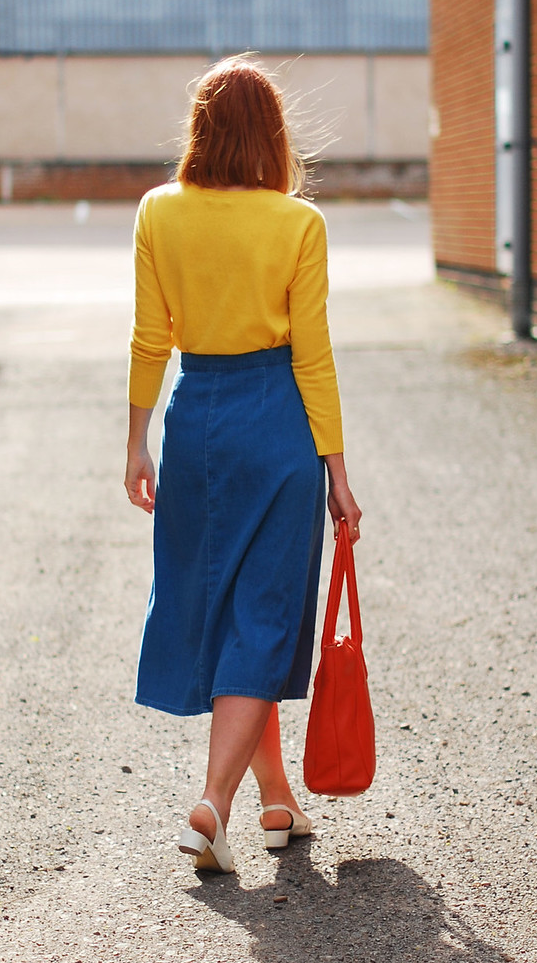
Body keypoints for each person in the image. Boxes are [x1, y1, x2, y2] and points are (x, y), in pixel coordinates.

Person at [124, 55, 362, 874]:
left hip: (196, 425)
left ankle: (276, 798)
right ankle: (213, 804)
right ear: (271, 134)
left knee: (226, 614)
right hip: (277, 428)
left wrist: (135, 441)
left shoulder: (159, 213)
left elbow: (149, 339)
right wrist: (335, 467)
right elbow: (315, 356)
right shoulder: (297, 224)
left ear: (199, 128)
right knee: (261, 616)